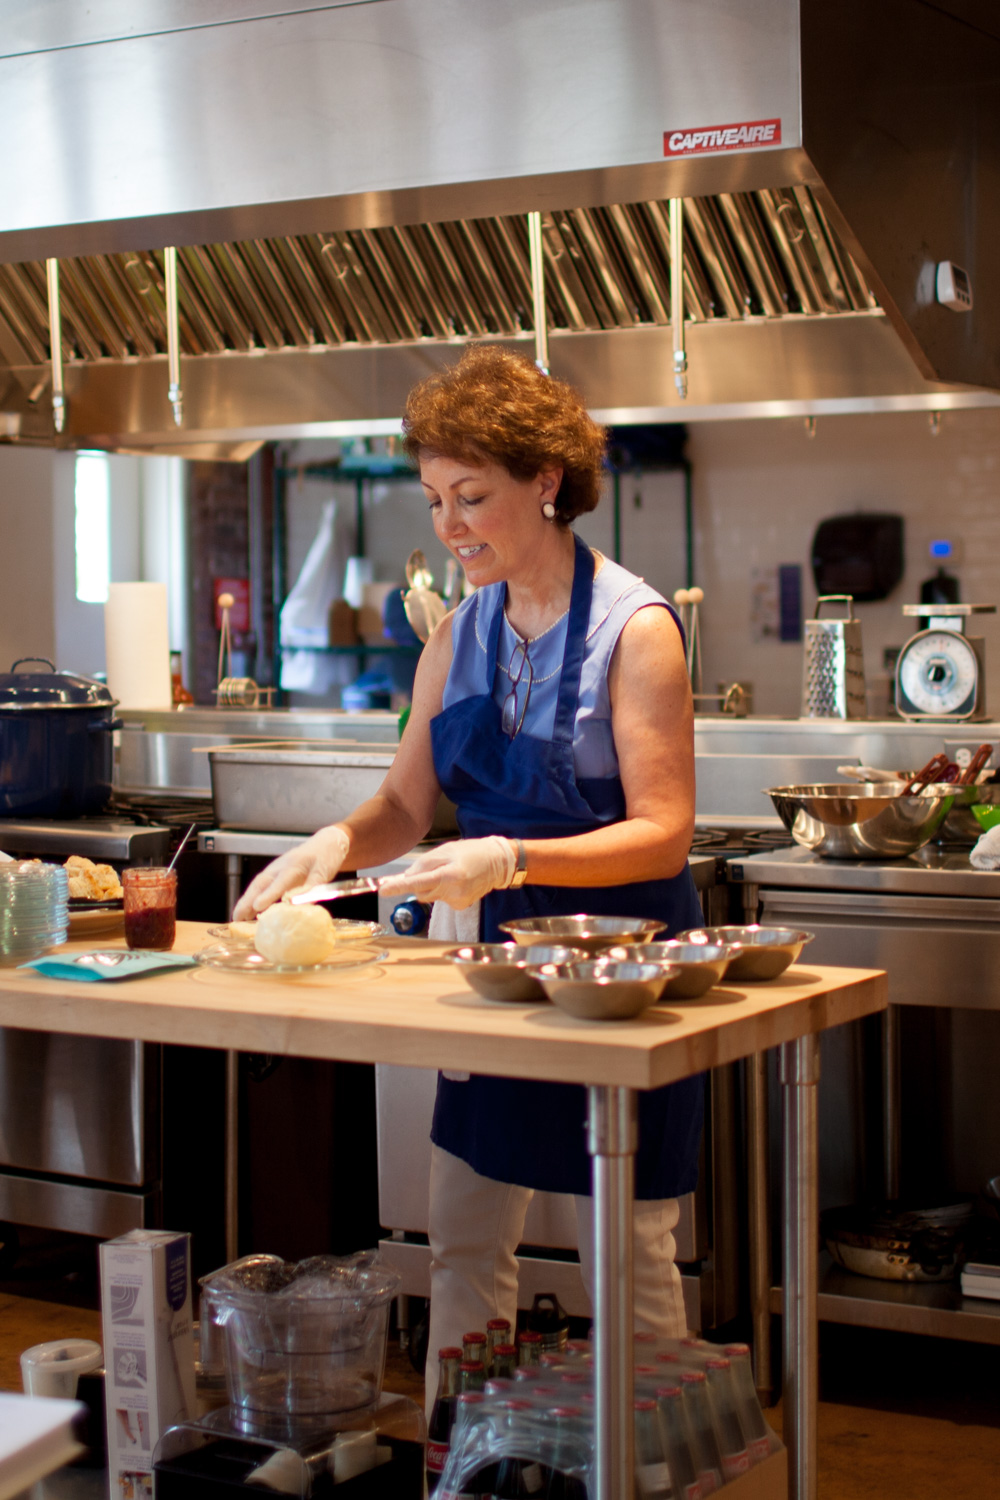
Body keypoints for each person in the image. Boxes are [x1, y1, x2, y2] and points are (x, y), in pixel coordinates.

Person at [234, 346, 704, 1409]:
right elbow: (403, 804)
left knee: (628, 1254)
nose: (448, 527)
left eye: (472, 497)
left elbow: (666, 833)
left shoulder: (635, 632)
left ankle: (649, 1467)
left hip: (618, 973)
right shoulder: (454, 636)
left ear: (546, 483)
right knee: (463, 1238)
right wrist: (330, 844)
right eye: (436, 499)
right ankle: (469, 1453)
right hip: (493, 972)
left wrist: (513, 856)